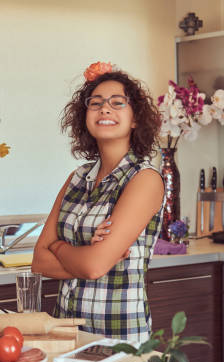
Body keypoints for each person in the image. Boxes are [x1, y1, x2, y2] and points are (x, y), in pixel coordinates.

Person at [32, 62, 165, 342]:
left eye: (118, 103)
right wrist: (88, 257)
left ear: (135, 118)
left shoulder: (144, 179)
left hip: (118, 337)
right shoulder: (77, 178)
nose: (105, 109)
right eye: (96, 103)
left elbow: (92, 267)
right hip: (65, 332)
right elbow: (39, 260)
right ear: (85, 116)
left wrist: (58, 247)